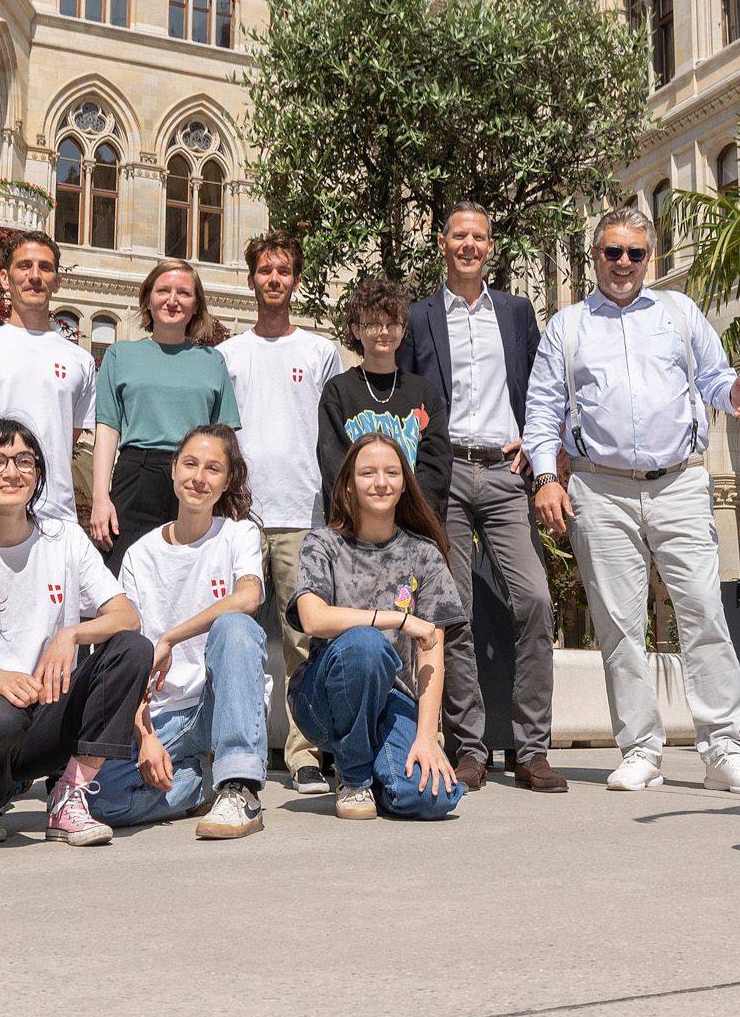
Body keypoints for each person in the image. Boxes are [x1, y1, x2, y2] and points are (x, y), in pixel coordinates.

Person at [525, 205, 740, 798]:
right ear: (595, 258)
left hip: (680, 482)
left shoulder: (680, 313)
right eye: (613, 252)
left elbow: (714, 379)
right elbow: (541, 412)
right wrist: (545, 478)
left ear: (650, 257)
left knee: (704, 614)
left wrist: (734, 393)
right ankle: (640, 749)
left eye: (635, 253)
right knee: (618, 626)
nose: (624, 264)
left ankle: (724, 750)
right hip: (598, 487)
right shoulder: (568, 326)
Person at [0, 419, 156, 845]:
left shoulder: (64, 539)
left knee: (132, 649)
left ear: (38, 475)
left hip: (46, 715)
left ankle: (70, 795)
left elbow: (126, 616)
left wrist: (70, 636)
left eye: (24, 461)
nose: (11, 472)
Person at [397, 203, 562, 794]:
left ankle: (532, 748)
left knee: (535, 601)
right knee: (453, 611)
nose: (469, 245)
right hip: (444, 478)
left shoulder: (517, 314)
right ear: (442, 244)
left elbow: (542, 389)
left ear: (490, 247)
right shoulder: (419, 317)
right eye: (459, 236)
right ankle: (469, 748)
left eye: (479, 238)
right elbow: (406, 396)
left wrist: (539, 443)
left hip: (504, 473)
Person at [91, 425, 270, 839]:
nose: (199, 478)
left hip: (221, 705)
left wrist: (170, 637)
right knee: (98, 798)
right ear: (172, 470)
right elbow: (128, 654)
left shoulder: (236, 534)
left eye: (213, 469)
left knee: (235, 626)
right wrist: (143, 731)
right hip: (165, 716)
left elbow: (248, 597)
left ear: (227, 481)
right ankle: (197, 784)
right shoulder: (140, 554)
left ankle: (238, 787)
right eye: (190, 464)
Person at [215, 231, 343, 795]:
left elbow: (334, 435)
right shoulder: (228, 355)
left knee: (300, 641)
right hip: (241, 516)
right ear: (251, 280)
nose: (274, 279)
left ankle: (304, 753)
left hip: (302, 511)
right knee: (234, 632)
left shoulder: (319, 352)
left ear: (294, 279)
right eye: (265, 270)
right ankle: (227, 753)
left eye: (283, 271)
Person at [291, 431, 465, 822]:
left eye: (391, 473)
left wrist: (426, 737)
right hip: (322, 700)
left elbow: (432, 647)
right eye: (367, 473)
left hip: (392, 699)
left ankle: (374, 769)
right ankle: (352, 779)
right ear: (349, 485)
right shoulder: (322, 544)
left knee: (432, 797)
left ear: (405, 484)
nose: (381, 482)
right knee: (366, 645)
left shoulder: (424, 553)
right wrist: (396, 619)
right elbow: (313, 619)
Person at [89, 260, 239, 568]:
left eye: (183, 293)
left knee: (191, 574)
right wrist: (100, 498)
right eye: (163, 291)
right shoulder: (120, 355)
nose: (172, 300)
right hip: (136, 475)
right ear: (147, 298)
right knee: (122, 575)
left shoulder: (213, 362)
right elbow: (107, 430)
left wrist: (228, 497)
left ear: (196, 305)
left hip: (195, 478)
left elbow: (226, 439)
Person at [317, 276, 450, 512]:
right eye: (373, 324)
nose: (384, 332)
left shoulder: (425, 393)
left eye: (392, 323)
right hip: (354, 532)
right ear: (356, 330)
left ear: (403, 329)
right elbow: (335, 468)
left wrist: (406, 519)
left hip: (412, 529)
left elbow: (435, 470)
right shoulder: (338, 392)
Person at [0, 232, 97, 524]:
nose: (34, 276)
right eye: (24, 266)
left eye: (45, 268)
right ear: (4, 278)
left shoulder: (80, 360)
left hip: (55, 511)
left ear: (57, 281)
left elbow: (69, 435)